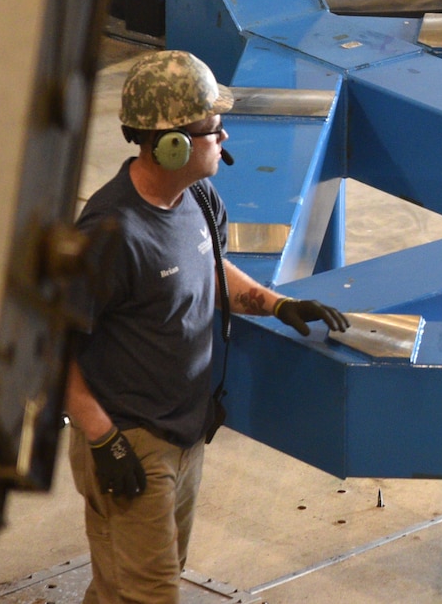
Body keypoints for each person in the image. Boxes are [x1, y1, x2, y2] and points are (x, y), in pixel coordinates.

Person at [67, 50, 349, 604]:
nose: (223, 139)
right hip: (132, 437)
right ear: (170, 143)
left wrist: (274, 304)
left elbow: (210, 265)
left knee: (129, 585)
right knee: (149, 595)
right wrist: (104, 440)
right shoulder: (110, 235)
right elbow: (50, 349)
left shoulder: (197, 196)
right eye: (212, 129)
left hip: (185, 431)